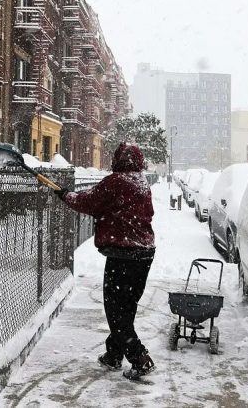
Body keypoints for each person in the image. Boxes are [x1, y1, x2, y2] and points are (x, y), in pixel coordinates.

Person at [55, 142, 156, 380]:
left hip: (123, 255)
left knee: (115, 310)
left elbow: (87, 202)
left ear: (118, 160)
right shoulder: (142, 182)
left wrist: (64, 194)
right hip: (144, 254)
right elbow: (147, 213)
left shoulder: (116, 182)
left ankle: (139, 357)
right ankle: (114, 354)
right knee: (127, 306)